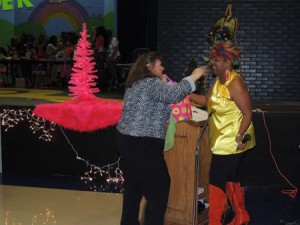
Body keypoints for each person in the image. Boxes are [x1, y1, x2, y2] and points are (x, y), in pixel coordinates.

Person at [115, 51, 207, 225]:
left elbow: (159, 99)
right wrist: (193, 76)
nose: (163, 68)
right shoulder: (151, 83)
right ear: (149, 66)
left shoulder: (136, 84)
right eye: (160, 65)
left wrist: (165, 85)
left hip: (126, 141)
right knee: (159, 188)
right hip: (142, 144)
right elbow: (172, 96)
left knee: (133, 190)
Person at [189, 41, 256, 225]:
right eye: (213, 60)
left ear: (227, 62)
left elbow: (248, 113)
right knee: (228, 178)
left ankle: (215, 222)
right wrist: (185, 94)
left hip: (232, 142)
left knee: (216, 180)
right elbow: (205, 100)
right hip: (220, 141)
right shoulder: (219, 82)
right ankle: (242, 216)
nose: (212, 63)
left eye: (216, 60)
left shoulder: (235, 83)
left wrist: (240, 135)